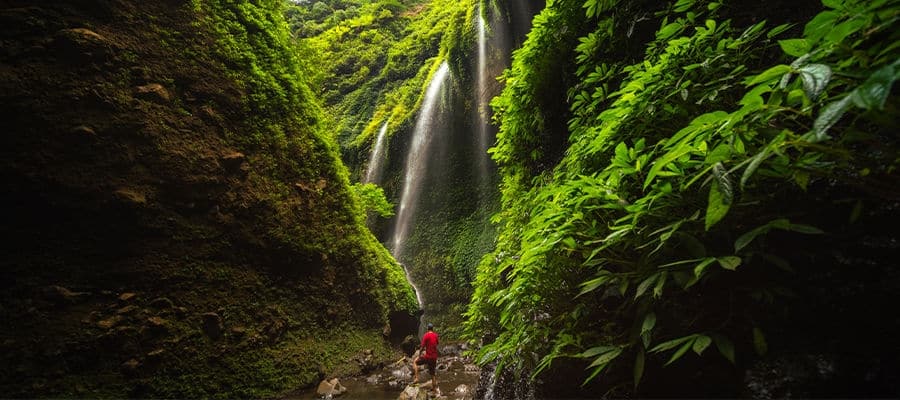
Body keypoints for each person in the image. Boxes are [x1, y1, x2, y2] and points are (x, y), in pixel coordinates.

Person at [413, 322, 439, 390]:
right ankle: (434, 390)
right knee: (432, 374)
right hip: (434, 357)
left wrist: (419, 354)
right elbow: (437, 344)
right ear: (432, 329)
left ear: (427, 328)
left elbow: (422, 347)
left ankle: (416, 378)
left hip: (428, 357)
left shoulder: (426, 335)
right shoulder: (436, 335)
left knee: (415, 362)